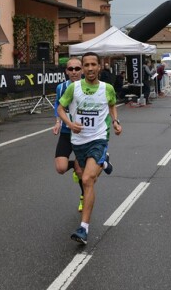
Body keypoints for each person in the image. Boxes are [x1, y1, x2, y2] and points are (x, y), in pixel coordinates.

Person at [58, 52, 122, 245]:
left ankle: (83, 228)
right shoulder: (74, 88)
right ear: (83, 68)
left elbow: (112, 105)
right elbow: (60, 108)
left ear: (99, 66)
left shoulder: (107, 88)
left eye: (93, 64)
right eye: (86, 65)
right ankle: (104, 162)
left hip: (98, 139)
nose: (90, 68)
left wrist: (116, 121)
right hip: (78, 142)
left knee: (87, 180)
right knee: (82, 173)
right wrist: (70, 124)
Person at [52, 57, 85, 211]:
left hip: (82, 134)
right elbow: (58, 105)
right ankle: (78, 165)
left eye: (77, 68)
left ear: (82, 70)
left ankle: (83, 197)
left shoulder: (88, 87)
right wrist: (58, 122)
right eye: (70, 69)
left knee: (80, 171)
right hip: (66, 132)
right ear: (66, 71)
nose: (74, 72)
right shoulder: (61, 87)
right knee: (60, 168)